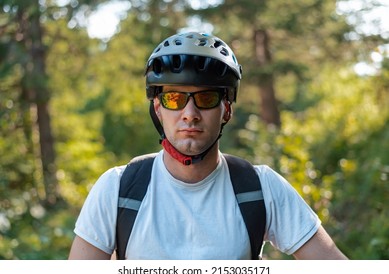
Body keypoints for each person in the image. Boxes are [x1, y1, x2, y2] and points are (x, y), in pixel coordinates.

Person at [68, 32, 348, 260]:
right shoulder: (118, 188)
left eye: (206, 99)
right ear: (158, 108)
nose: (190, 113)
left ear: (226, 110)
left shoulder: (259, 187)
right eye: (175, 99)